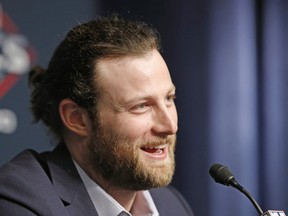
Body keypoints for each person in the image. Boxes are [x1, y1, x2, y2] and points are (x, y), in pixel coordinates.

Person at [0, 15, 194, 216]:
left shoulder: (171, 204)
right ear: (76, 118)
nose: (170, 126)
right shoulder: (18, 202)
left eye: (169, 98)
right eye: (141, 106)